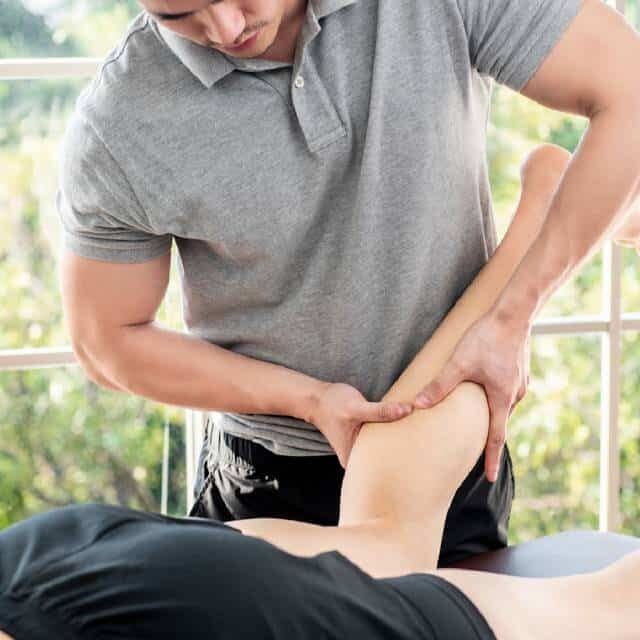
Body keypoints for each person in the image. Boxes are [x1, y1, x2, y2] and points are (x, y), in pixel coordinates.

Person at [55, 0, 640, 570]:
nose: (226, 28)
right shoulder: (119, 121)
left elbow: (628, 89)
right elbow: (107, 341)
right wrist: (307, 400)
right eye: (178, 16)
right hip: (267, 474)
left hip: (448, 455)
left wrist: (512, 318)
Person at [3, 143, 640, 639]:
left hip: (105, 605)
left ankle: (545, 216)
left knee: (397, 549)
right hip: (59, 563)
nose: (226, 28)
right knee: (388, 543)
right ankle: (544, 212)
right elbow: (106, 342)